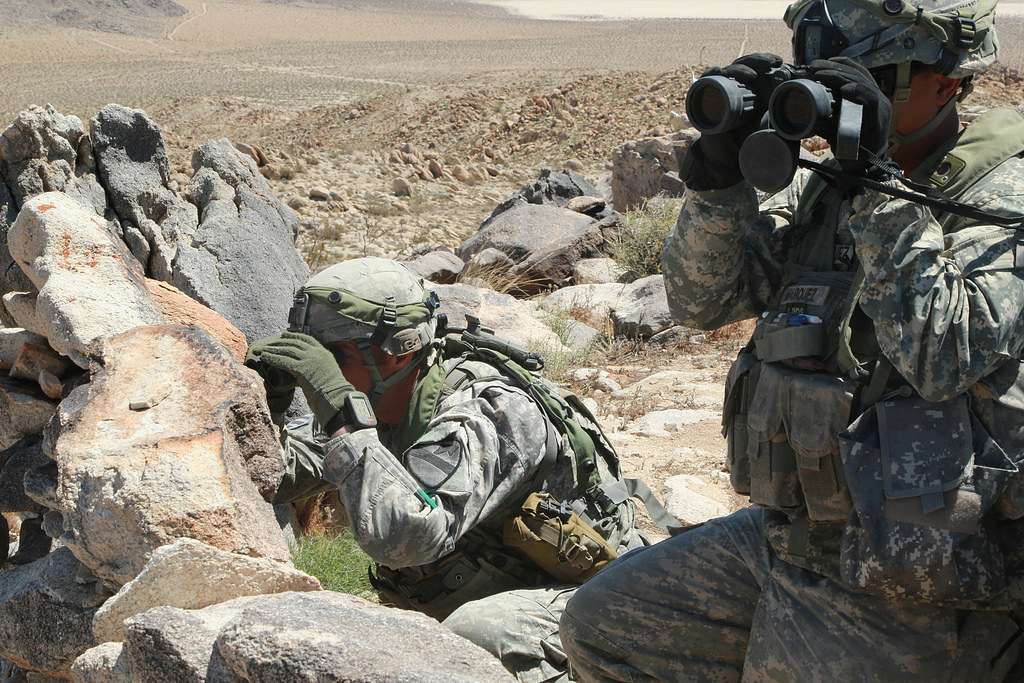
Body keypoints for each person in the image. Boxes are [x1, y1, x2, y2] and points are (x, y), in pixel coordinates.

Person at [560, 0, 1024, 680]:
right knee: (605, 629)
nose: (851, 90)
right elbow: (700, 300)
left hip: (918, 568)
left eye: (875, 76)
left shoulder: (1002, 193)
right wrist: (718, 186)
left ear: (947, 83)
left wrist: (879, 185)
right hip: (800, 533)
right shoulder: (832, 189)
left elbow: (943, 350)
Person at [246, 257, 671, 682]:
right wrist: (265, 410)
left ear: (394, 353)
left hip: (601, 601)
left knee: (481, 634)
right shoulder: (383, 400)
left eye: (327, 357)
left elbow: (404, 539)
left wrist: (342, 415)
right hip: (506, 593)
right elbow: (275, 476)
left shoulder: (489, 411)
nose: (312, 373)